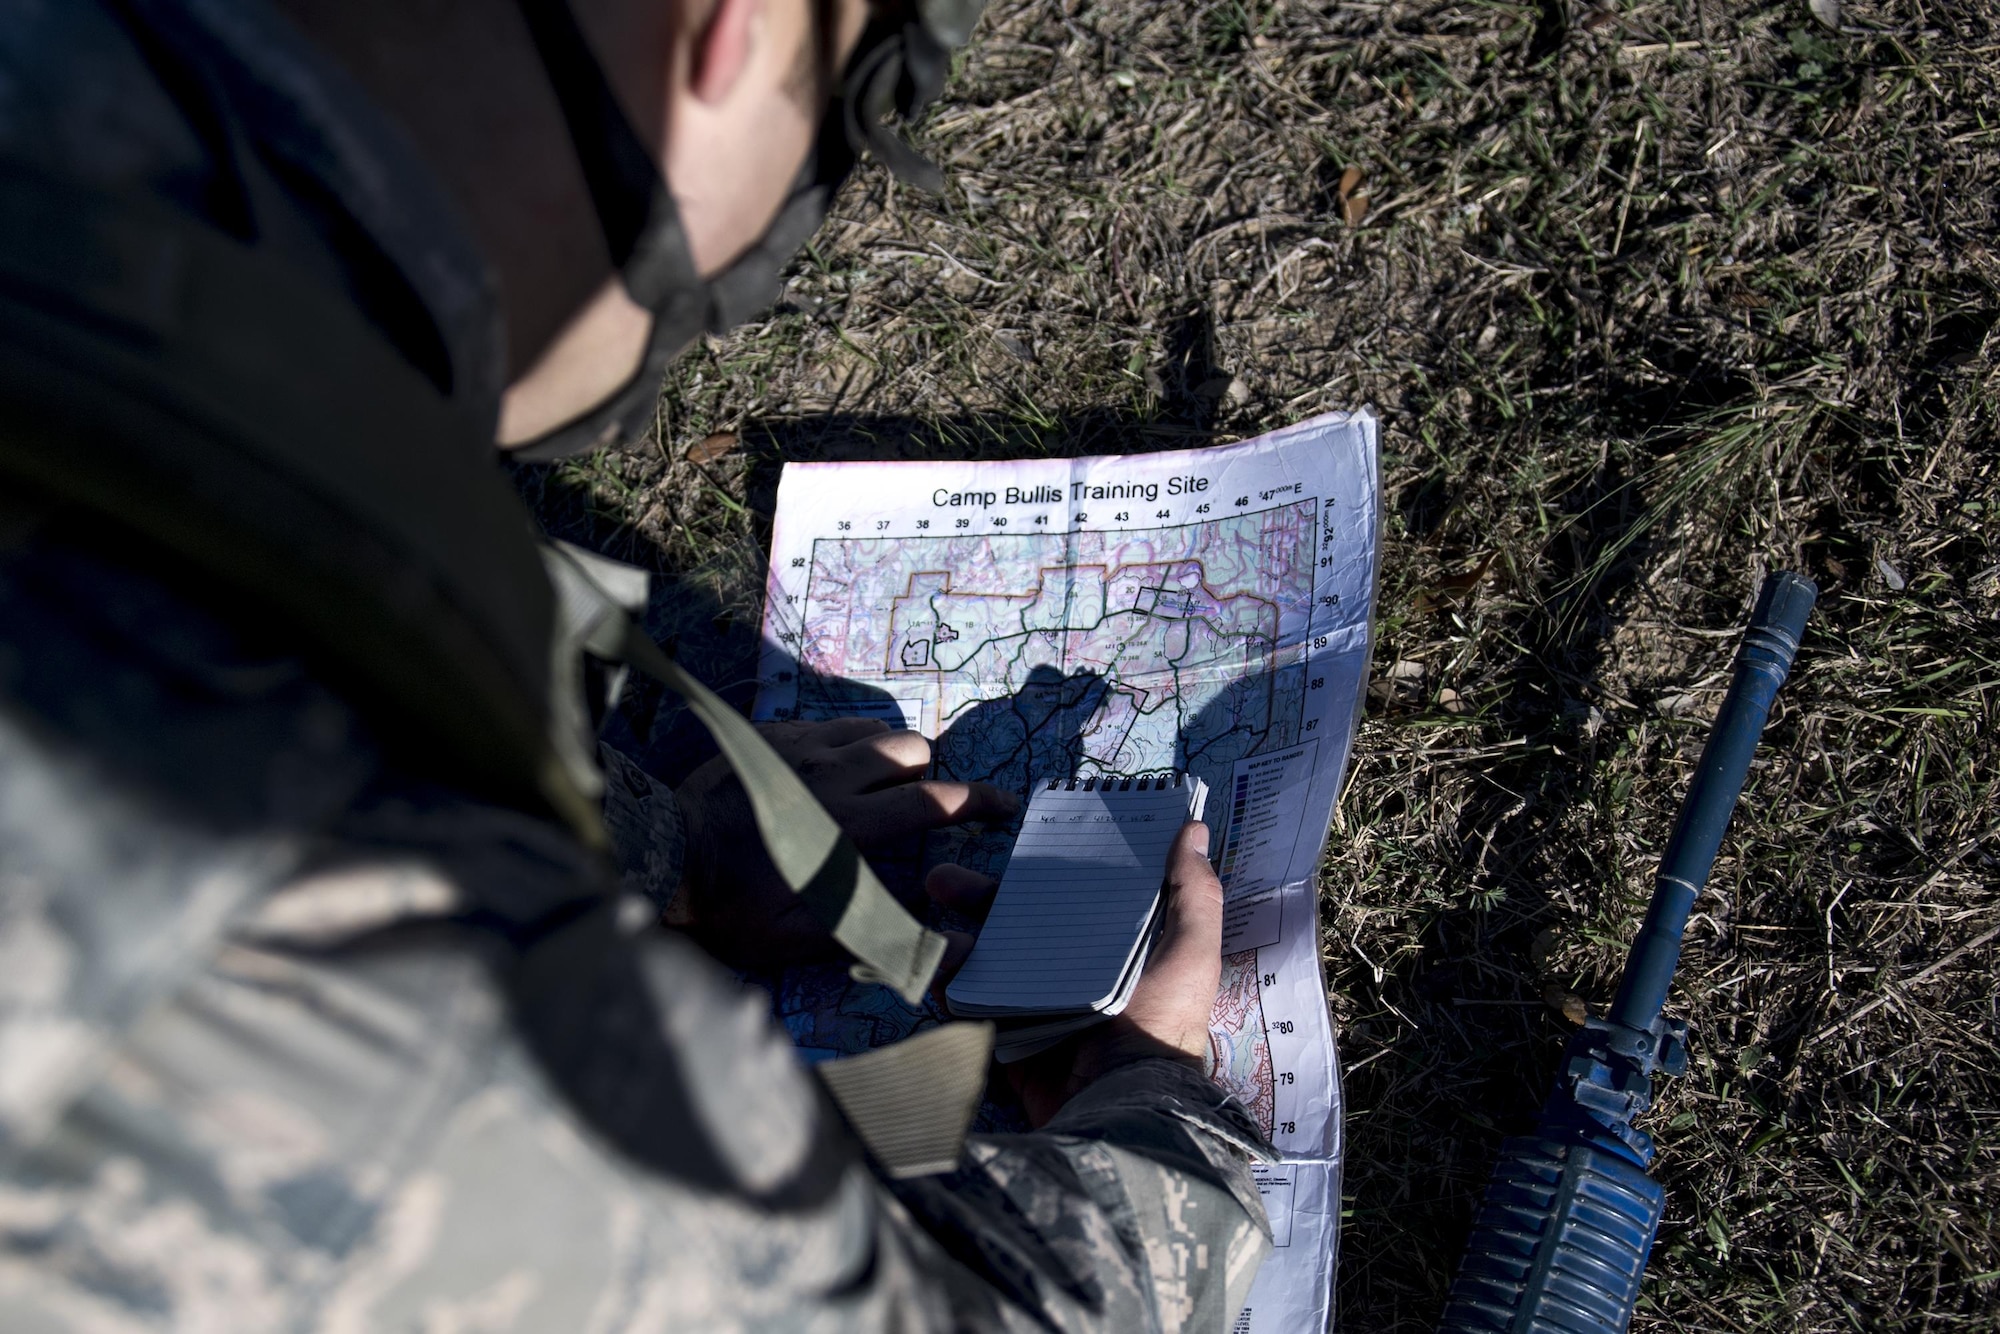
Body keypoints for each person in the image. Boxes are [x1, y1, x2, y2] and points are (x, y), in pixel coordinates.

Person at [0, 1, 1275, 1329]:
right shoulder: (289, 891)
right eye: (834, 136)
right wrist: (1144, 1107)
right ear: (726, 33)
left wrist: (662, 852)